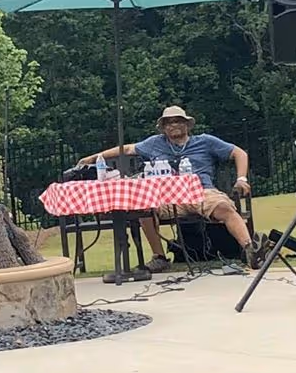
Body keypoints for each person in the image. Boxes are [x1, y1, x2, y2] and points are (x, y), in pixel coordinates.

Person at [77, 105, 261, 272]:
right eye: (169, 122)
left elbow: (239, 152)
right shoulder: (154, 143)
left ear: (187, 125)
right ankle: (159, 257)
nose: (174, 125)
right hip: (164, 196)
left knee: (223, 207)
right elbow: (126, 149)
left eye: (178, 121)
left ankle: (250, 250)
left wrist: (242, 178)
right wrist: (94, 158)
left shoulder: (205, 141)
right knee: (143, 208)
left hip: (200, 191)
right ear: (163, 127)